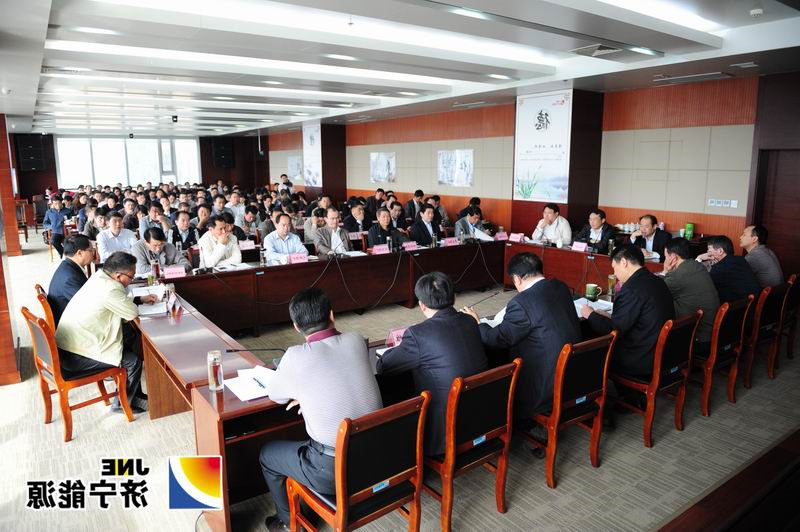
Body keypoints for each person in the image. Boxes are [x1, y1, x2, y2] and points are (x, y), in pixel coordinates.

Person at [259, 288, 382, 531]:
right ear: (332, 315)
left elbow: (275, 395)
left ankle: (289, 524)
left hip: (333, 470)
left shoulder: (295, 356)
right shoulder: (357, 339)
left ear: (295, 326)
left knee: (267, 454)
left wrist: (303, 393)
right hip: (378, 456)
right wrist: (309, 394)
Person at [464, 253, 580, 423]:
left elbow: (497, 339)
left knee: (496, 371)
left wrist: (478, 323)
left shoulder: (522, 302)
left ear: (517, 279)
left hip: (546, 386)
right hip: (574, 375)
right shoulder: (560, 286)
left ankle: (515, 423)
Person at [378, 272, 487, 455]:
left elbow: (384, 367)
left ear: (422, 305)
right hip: (480, 418)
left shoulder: (418, 334)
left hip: (443, 432)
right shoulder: (470, 321)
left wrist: (401, 347)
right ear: (454, 297)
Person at [55, 252, 157, 414]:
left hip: (71, 344)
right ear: (118, 276)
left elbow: (114, 303)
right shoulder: (110, 289)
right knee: (133, 361)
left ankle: (135, 394)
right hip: (76, 356)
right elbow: (132, 313)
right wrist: (135, 304)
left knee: (130, 341)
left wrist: (139, 299)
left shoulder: (99, 277)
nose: (131, 280)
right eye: (131, 277)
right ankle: (121, 404)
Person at [581, 245, 675, 377]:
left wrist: (590, 314)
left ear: (624, 262)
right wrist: (608, 315)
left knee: (588, 346)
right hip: (663, 354)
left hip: (640, 360)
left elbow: (614, 330)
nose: (614, 273)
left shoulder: (632, 289)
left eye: (614, 267)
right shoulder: (657, 281)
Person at [662, 238, 720, 353]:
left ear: (673, 257)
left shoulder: (676, 276)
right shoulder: (698, 266)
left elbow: (656, 293)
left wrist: (665, 272)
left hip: (698, 339)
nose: (665, 260)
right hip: (712, 334)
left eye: (666, 257)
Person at [47, 235, 93, 326]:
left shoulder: (67, 266)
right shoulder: (70, 277)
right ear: (79, 253)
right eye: (91, 250)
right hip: (70, 326)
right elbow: (88, 306)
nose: (93, 253)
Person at [705, 236, 761, 303]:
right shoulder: (741, 259)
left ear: (720, 251)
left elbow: (705, 286)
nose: (707, 253)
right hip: (751, 304)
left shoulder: (718, 268)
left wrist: (698, 259)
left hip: (732, 307)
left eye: (709, 250)